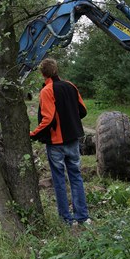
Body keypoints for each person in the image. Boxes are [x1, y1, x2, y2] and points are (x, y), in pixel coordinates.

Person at [30, 58, 90, 225]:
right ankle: (83, 217)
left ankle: (66, 220)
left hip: (56, 143)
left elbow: (48, 119)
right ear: (56, 70)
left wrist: (33, 134)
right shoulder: (71, 85)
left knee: (59, 181)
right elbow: (83, 111)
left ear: (42, 73)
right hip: (73, 140)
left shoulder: (46, 91)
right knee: (76, 177)